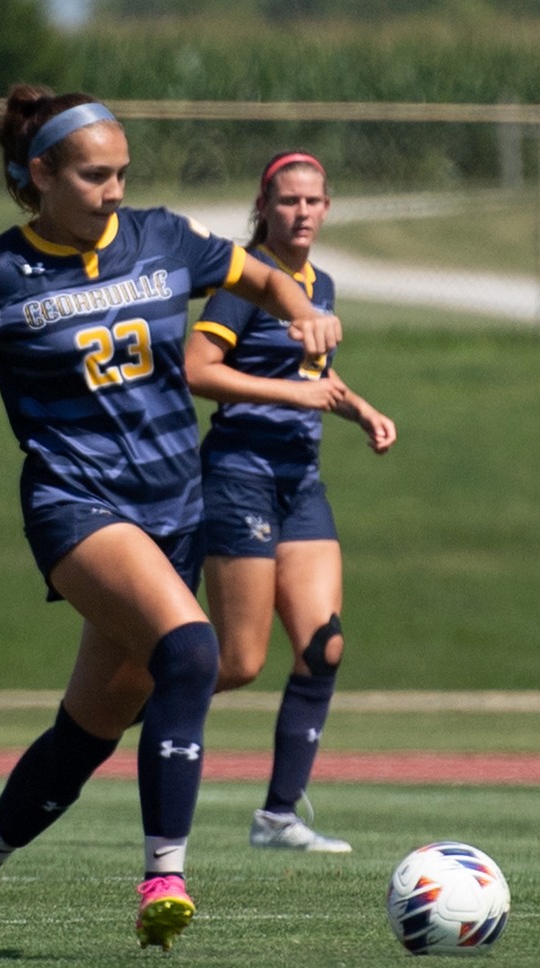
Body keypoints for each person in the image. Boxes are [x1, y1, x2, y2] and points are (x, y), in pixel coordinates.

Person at [0, 87, 343, 955]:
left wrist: (300, 309)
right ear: (39, 174)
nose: (115, 191)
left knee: (87, 734)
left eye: (123, 173)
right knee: (194, 650)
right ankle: (164, 873)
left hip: (176, 509)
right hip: (76, 506)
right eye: (95, 175)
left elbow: (258, 274)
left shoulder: (162, 238)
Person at [184, 151, 397, 854]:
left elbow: (314, 374)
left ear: (328, 208)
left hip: (299, 480)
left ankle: (277, 817)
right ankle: (117, 710)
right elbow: (197, 370)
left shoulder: (321, 285)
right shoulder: (248, 282)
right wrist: (296, 393)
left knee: (323, 645)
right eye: (287, 201)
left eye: (313, 201)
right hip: (240, 473)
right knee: (239, 663)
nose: (301, 212)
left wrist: (359, 408)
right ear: (264, 208)